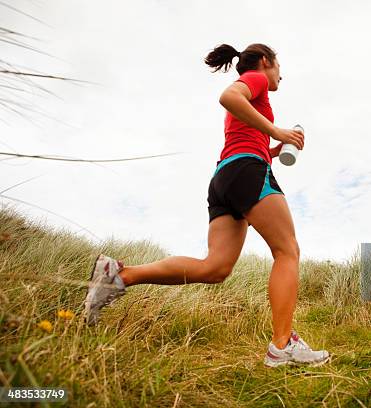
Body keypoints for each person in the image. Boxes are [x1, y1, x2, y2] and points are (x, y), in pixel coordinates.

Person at [83, 43, 330, 368]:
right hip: (246, 171)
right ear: (266, 61)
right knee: (287, 251)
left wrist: (272, 147)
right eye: (279, 66)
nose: (281, 75)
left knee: (214, 268)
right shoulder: (255, 79)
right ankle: (282, 345)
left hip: (226, 175)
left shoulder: (254, 104)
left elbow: (244, 134)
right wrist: (275, 130)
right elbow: (227, 96)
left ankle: (121, 275)